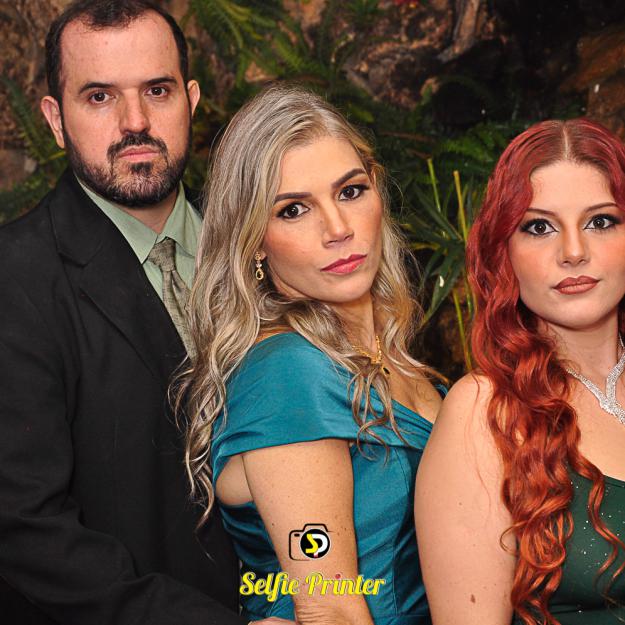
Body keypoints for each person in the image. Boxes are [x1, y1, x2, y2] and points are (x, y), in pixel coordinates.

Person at [0, 1, 284, 624]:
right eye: (99, 97)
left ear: (191, 99)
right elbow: (24, 529)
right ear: (55, 119)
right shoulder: (15, 279)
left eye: (157, 91)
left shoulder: (268, 240)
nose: (135, 122)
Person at [177, 84, 444, 625]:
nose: (338, 229)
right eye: (294, 210)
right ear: (254, 239)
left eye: (350, 191)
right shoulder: (287, 375)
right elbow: (328, 603)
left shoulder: (396, 360)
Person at [415, 118, 625, 625]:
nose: (573, 252)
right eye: (539, 227)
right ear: (503, 252)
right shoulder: (483, 413)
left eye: (600, 221)